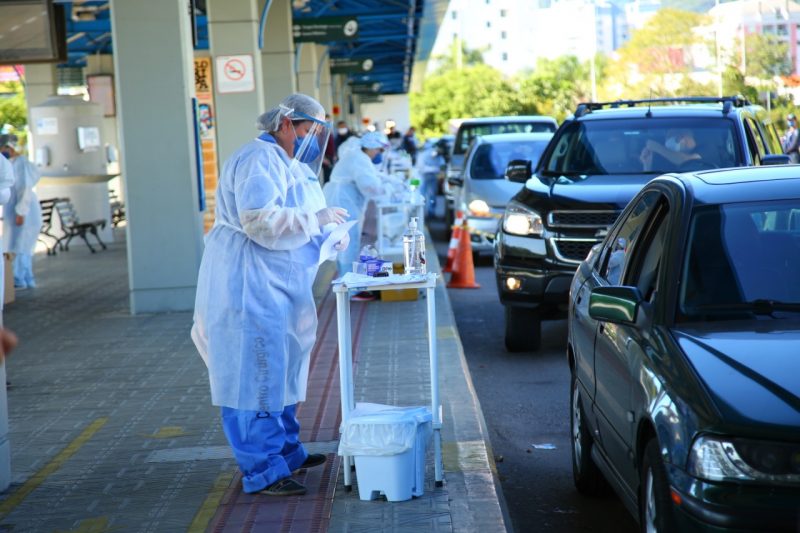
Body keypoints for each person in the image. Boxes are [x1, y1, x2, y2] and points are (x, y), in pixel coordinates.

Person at [191, 93, 351, 497]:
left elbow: (304, 217)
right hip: (250, 284)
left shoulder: (291, 165)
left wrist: (330, 232)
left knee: (281, 367)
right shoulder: (258, 159)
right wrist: (315, 220)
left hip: (279, 285)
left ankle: (285, 452)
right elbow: (259, 221)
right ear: (284, 124)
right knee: (255, 373)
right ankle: (262, 468)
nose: (314, 140)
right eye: (308, 131)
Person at [322, 132, 390, 285]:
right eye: (379, 150)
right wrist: (387, 191)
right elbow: (369, 185)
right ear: (372, 147)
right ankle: (350, 286)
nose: (380, 154)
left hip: (344, 200)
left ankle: (347, 281)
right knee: (348, 243)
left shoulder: (358, 156)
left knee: (344, 242)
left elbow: (373, 177)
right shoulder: (359, 159)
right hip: (344, 202)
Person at [0, 135, 43, 289]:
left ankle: (21, 279)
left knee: (20, 246)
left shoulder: (21, 164)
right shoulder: (15, 163)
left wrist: (20, 212)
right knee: (20, 245)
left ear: (8, 148)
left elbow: (24, 188)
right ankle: (25, 278)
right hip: (20, 211)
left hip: (23, 212)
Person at [417, 139, 447, 218]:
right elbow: (422, 168)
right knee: (422, 195)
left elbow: (442, 164)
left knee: (432, 196)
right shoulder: (426, 154)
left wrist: (442, 170)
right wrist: (437, 169)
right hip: (424, 176)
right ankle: (421, 213)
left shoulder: (439, 156)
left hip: (433, 177)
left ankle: (431, 213)